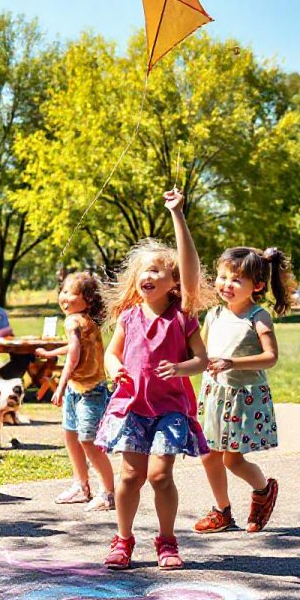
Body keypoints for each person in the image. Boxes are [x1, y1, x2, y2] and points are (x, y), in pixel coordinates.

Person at [95, 189, 214, 571]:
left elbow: (202, 360)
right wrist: (114, 367)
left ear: (174, 283)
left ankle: (166, 540)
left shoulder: (182, 316)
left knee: (160, 476)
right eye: (145, 270)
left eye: (158, 271)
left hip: (170, 410)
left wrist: (177, 214)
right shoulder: (128, 317)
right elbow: (111, 353)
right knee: (130, 476)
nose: (149, 275)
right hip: (132, 406)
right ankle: (124, 539)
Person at [193, 247, 294, 534]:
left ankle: (263, 491)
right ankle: (222, 511)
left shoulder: (258, 316)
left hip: (243, 398)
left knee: (232, 459)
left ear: (258, 286)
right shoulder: (213, 315)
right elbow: (200, 353)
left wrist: (231, 362)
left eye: (236, 279)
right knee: (209, 454)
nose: (226, 284)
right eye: (223, 277)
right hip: (214, 395)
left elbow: (270, 357)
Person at [35, 272, 116, 511]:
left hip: (88, 392)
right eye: (64, 291)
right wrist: (51, 354)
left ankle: (108, 493)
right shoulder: (83, 320)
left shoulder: (73, 321)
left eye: (72, 293)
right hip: (79, 390)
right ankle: (82, 486)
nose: (65, 297)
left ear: (88, 300)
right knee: (71, 435)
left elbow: (73, 357)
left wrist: (58, 387)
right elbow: (75, 347)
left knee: (88, 441)